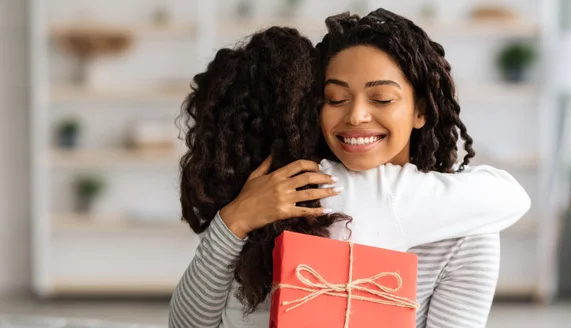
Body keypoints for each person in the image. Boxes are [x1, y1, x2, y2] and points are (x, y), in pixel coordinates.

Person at [170, 12, 530, 328]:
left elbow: (185, 323)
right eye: (335, 99)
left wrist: (232, 220)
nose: (355, 115)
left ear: (421, 110)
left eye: (382, 99)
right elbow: (512, 196)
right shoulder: (302, 189)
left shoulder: (277, 191)